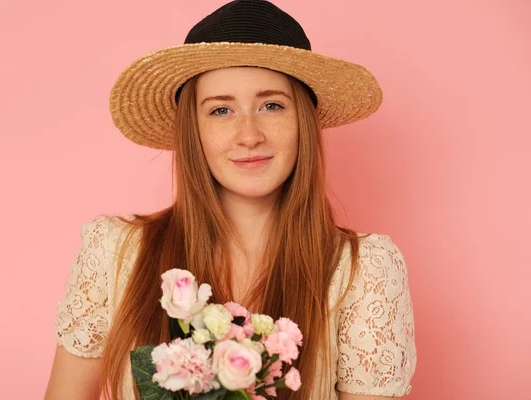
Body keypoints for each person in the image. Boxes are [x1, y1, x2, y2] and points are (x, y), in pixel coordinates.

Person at [44, 1, 417, 399]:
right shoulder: (114, 254)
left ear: (303, 122)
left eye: (271, 105)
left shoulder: (364, 273)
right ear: (194, 131)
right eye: (221, 110)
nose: (249, 135)